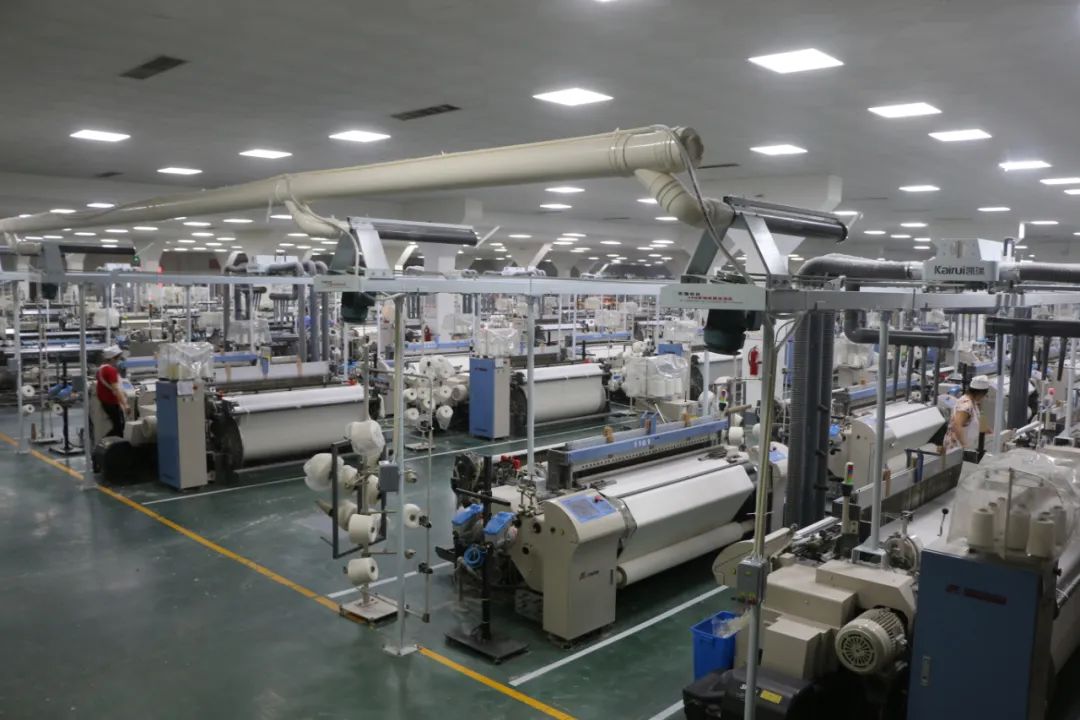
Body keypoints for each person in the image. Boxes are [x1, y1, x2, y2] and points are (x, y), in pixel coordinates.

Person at [944, 374, 990, 457]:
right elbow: (957, 425)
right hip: (956, 450)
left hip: (965, 448)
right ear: (980, 393)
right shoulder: (966, 405)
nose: (983, 397)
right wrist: (965, 446)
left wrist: (988, 432)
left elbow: (976, 420)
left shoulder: (973, 403)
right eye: (984, 395)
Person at [96, 345, 128, 438]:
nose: (120, 361)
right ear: (113, 358)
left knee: (117, 425)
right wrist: (125, 404)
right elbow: (116, 389)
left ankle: (107, 442)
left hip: (105, 401)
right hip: (112, 402)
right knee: (119, 427)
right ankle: (107, 442)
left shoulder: (101, 368)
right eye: (119, 358)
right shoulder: (110, 370)